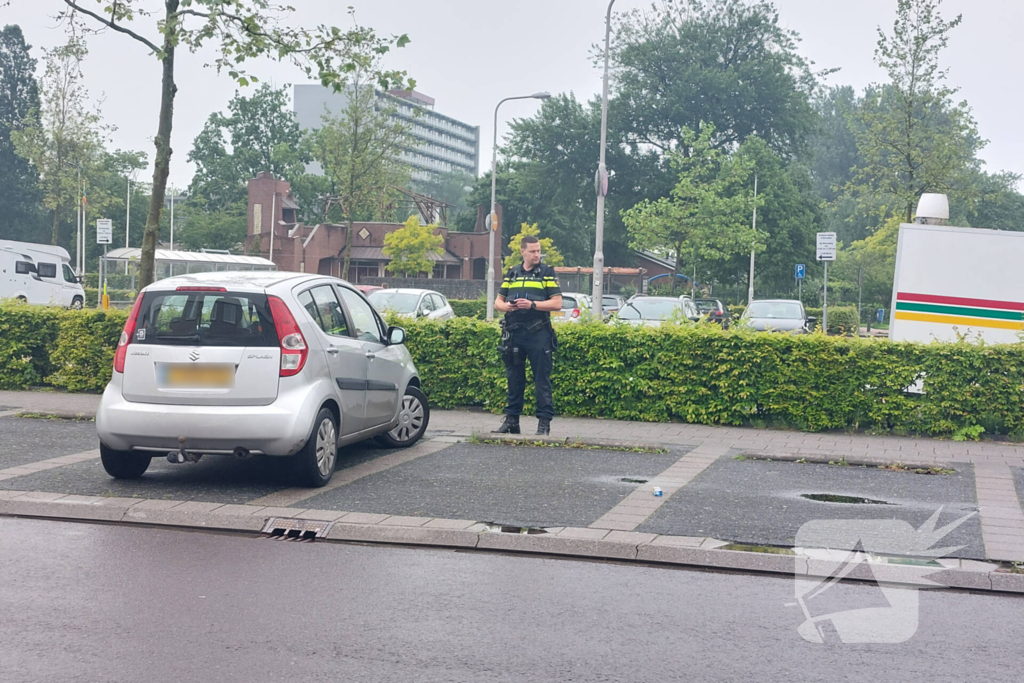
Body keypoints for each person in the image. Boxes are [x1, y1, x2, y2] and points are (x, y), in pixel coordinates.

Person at [492, 235, 562, 435]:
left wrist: (532, 305)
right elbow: (497, 302)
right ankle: (512, 421)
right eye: (533, 251)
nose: (537, 254)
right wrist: (506, 307)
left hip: (538, 333)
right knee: (514, 378)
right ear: (522, 252)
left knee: (542, 379)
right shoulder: (512, 273)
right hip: (514, 333)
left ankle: (543, 424)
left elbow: (557, 302)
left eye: (538, 251)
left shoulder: (547, 273)